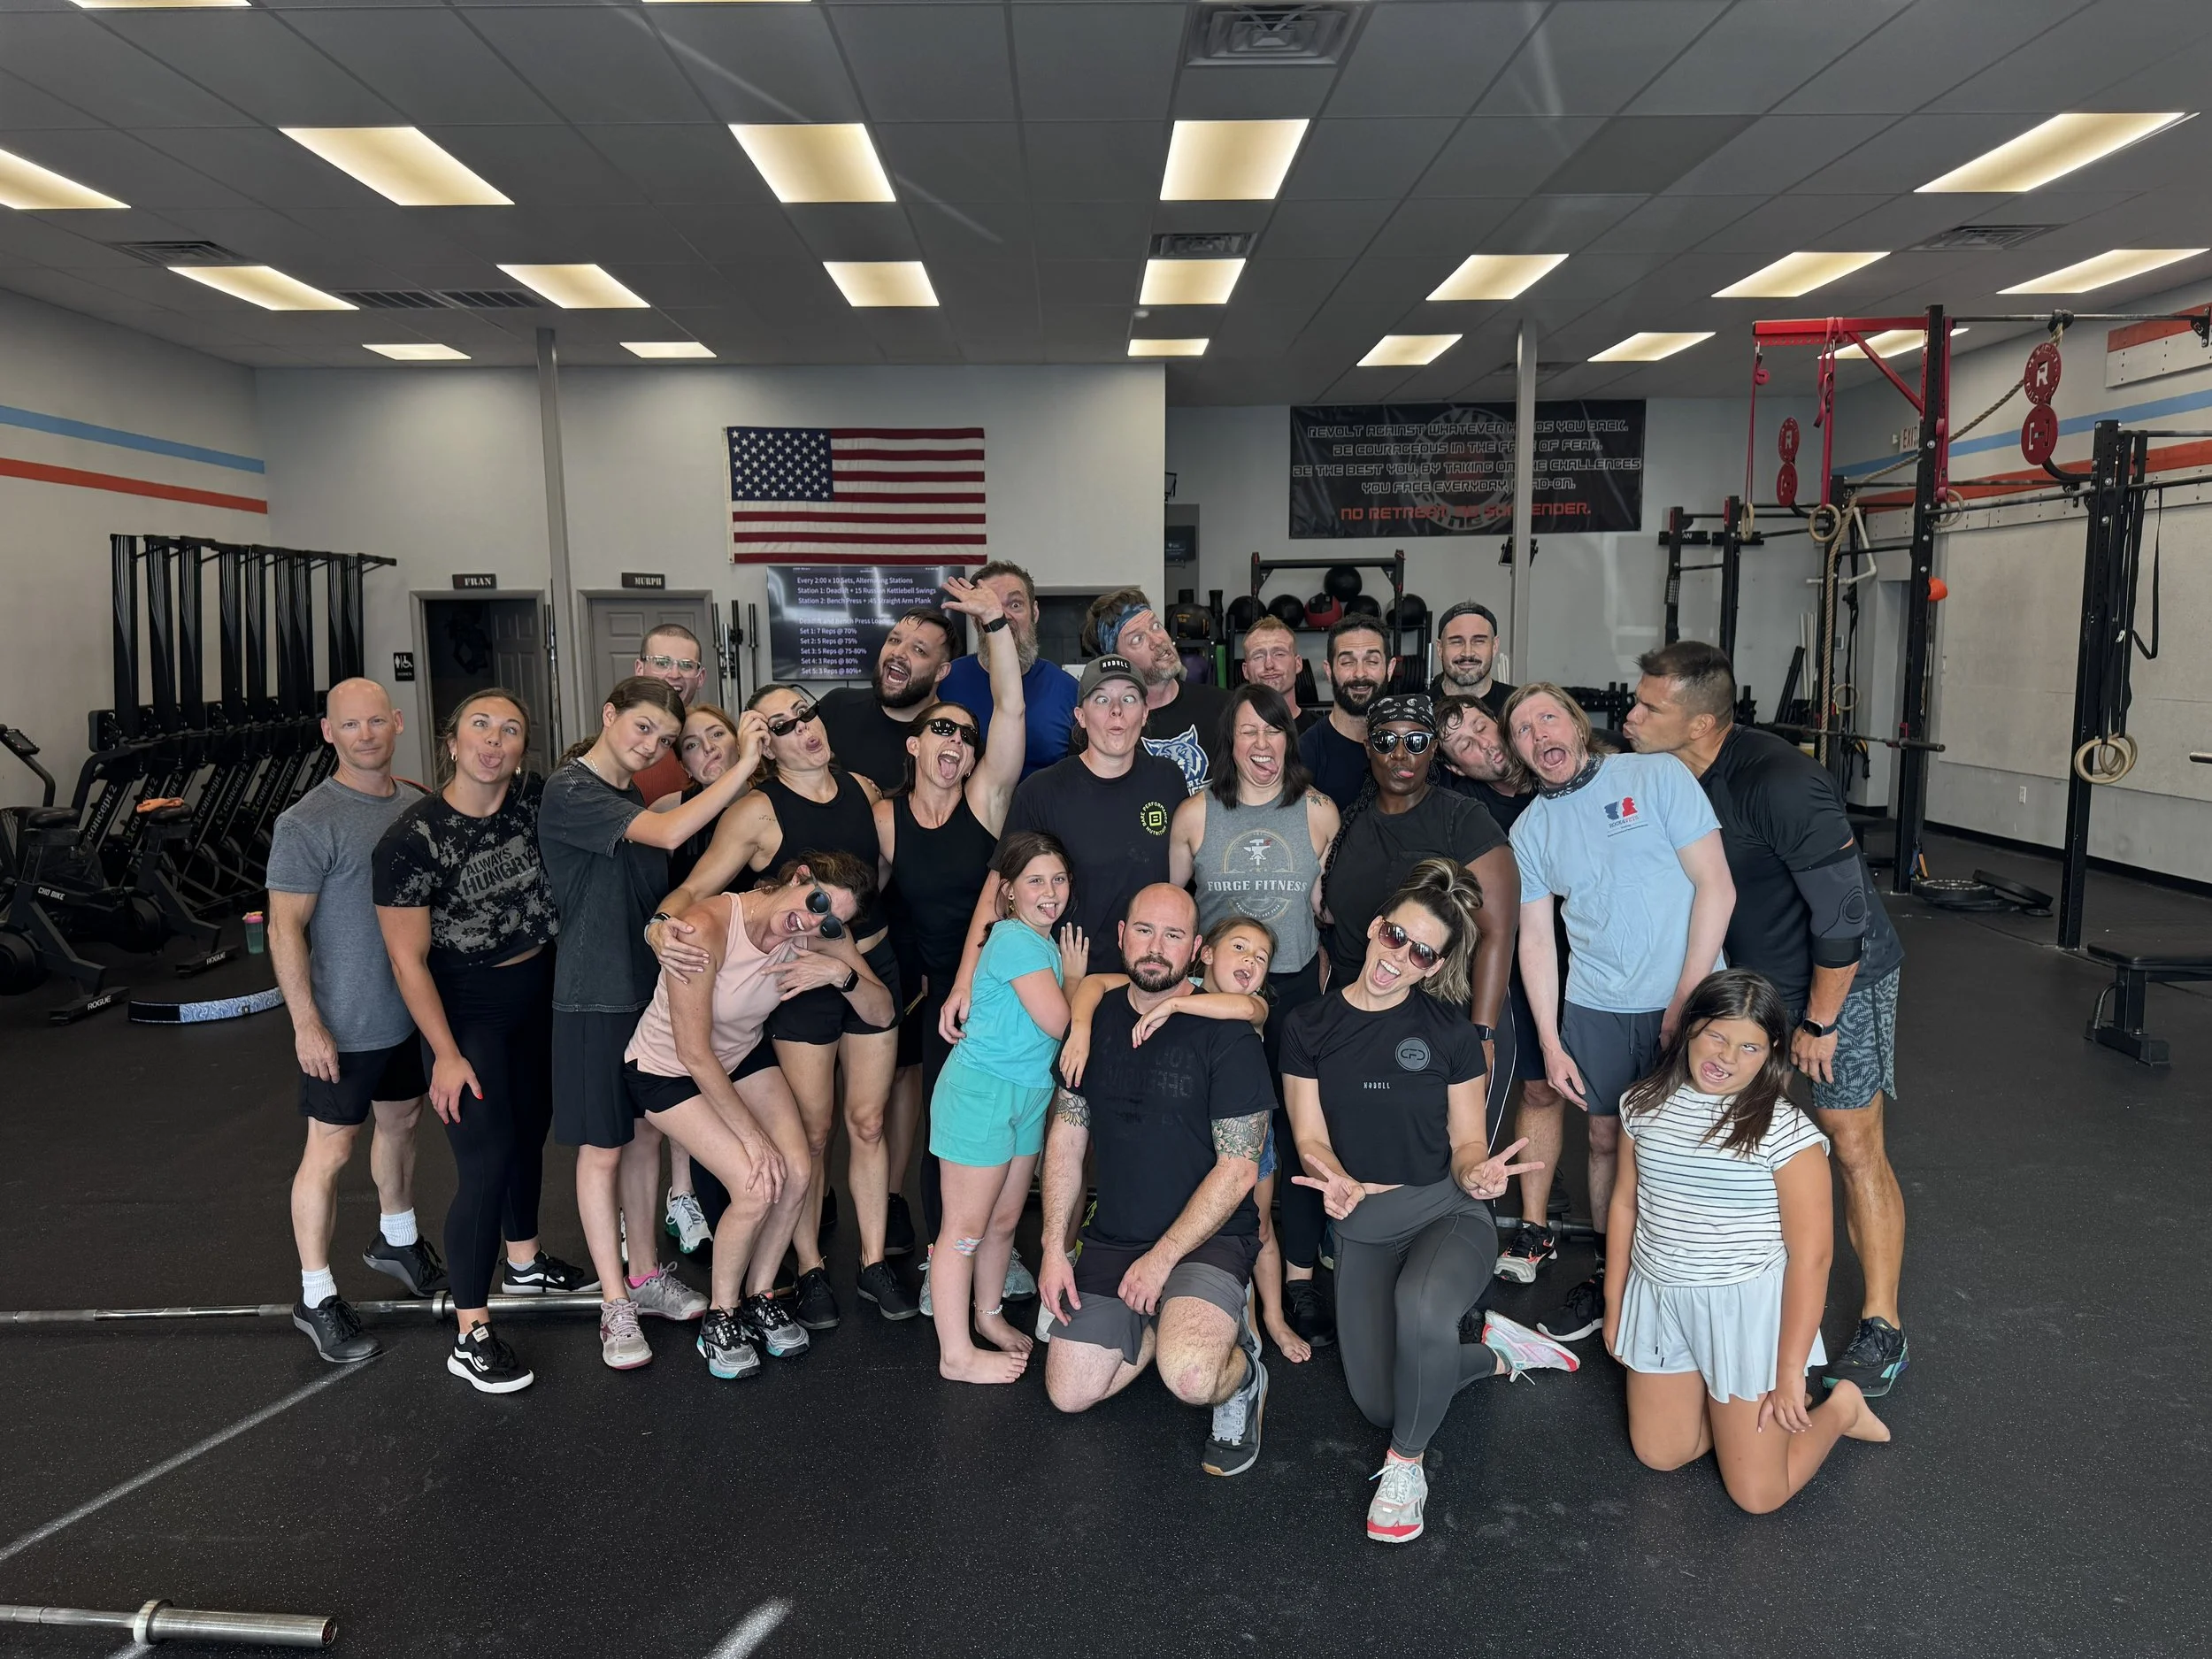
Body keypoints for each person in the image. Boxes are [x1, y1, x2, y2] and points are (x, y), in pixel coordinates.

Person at [1623, 641, 1910, 1399]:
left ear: (1703, 721)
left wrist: (1819, 1021)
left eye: (1650, 707)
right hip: (1745, 990)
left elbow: (1843, 915)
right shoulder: (1663, 772)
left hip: (1835, 984)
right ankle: (1762, 1286)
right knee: (1743, 1143)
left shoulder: (1779, 780)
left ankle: (1883, 1323)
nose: (1630, 716)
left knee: (1851, 1141)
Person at [1283, 860, 1577, 1543]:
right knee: (1382, 1400)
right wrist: (1331, 1175)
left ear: (1434, 964)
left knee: (1422, 1306)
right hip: (1361, 1222)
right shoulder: (1309, 1024)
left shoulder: (1451, 1033)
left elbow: (1469, 1144)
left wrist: (1478, 1175)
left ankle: (1405, 1469)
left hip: (1445, 1211)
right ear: (1376, 927)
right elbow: (1308, 1134)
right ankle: (1493, 1349)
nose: (1398, 958)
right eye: (1395, 936)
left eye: (1421, 951)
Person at [649, 683, 909, 1328]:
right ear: (764, 743)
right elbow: (695, 887)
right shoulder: (757, 811)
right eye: (784, 724)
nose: (804, 728)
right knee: (814, 1132)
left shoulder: (865, 791)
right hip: (796, 980)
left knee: (869, 1121)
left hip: (866, 963)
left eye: (807, 713)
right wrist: (660, 924)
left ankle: (875, 1261)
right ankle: (811, 1264)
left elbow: (893, 878)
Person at [540, 677, 770, 1370]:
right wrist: (743, 768)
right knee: (603, 1148)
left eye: (664, 740)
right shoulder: (571, 788)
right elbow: (673, 829)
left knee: (643, 1136)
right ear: (608, 715)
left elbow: (671, 814)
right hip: (592, 998)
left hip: (646, 990)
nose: (653, 746)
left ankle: (644, 1277)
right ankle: (614, 1304)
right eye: (643, 729)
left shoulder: (627, 794)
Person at [1604, 969, 1889, 1512]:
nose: (1727, 1057)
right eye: (1716, 1035)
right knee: (1661, 1454)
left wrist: (1787, 1374)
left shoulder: (1787, 1134)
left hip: (1741, 1310)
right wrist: (1616, 1305)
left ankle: (1842, 1408)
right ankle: (1728, 1416)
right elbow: (1624, 1203)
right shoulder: (1641, 1105)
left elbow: (1812, 1258)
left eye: (1749, 1045)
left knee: (1758, 1495)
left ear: (1771, 1053)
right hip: (1660, 1295)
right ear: (1690, 1029)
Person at [1504, 682, 1735, 1348]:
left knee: (1698, 1141)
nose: (1539, 732)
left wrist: (1688, 993)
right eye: (1523, 728)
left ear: (1576, 726)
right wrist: (1550, 1039)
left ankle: (1702, 1280)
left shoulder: (1656, 774)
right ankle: (1616, 1274)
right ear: (1518, 752)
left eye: (1548, 716)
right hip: (1598, 1006)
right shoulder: (1530, 830)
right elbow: (1538, 939)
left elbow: (1716, 884)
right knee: (1606, 1141)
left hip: (1690, 996)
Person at [373, 689, 588, 1394]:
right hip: (470, 1010)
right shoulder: (411, 839)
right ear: (451, 741)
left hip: (542, 995)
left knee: (530, 1136)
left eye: (511, 730)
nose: (494, 741)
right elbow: (407, 959)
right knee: (487, 1159)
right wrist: (446, 1052)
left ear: (523, 748)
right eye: (480, 727)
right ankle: (471, 1330)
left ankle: (523, 1260)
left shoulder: (533, 800)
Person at [1036, 885, 1275, 1479]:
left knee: (1191, 1378)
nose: (1155, 947)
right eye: (1144, 930)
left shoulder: (1228, 1033)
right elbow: (1066, 1140)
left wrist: (1165, 1257)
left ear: (1195, 949)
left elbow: (1240, 1167)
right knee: (1068, 1392)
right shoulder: (1091, 1024)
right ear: (1121, 936)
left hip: (1205, 1239)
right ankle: (1165, 1318)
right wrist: (1052, 1249)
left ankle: (1242, 1372)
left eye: (1173, 935)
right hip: (1116, 1235)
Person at [624, 857, 887, 1377]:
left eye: (831, 923)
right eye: (816, 904)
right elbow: (693, 1052)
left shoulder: (818, 934)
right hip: (667, 1069)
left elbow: (880, 1011)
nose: (814, 923)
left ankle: (760, 1294)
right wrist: (753, 1138)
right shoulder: (707, 928)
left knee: (799, 1172)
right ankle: (720, 1319)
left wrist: (840, 972)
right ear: (799, 876)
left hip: (740, 1056)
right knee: (753, 1182)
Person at [269, 678, 442, 1363]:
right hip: (343, 1022)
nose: (366, 733)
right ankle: (314, 1295)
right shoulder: (308, 820)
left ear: (397, 722)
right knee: (331, 1150)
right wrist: (306, 1024)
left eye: (377, 720)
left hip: (405, 1015)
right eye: (351, 724)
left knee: (402, 1121)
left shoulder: (416, 802)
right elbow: (285, 928)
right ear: (328, 731)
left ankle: (395, 1237)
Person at [1168, 682, 1340, 1351]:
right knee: (1213, 1137)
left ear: (1288, 740)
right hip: (1213, 1001)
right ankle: (1204, 1264)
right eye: (1248, 733)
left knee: (1293, 1138)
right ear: (1229, 743)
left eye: (1273, 732)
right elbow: (1176, 912)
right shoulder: (1195, 815)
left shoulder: (1318, 813)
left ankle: (1295, 1278)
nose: (1262, 745)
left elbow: (1328, 910)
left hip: (1293, 995)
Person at [875, 578, 1028, 1302]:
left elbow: (1012, 705)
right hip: (941, 998)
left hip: (1008, 994)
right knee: (949, 1134)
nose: (957, 741)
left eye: (966, 738)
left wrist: (994, 622)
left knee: (1012, 1127)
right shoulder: (884, 818)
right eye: (943, 728)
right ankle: (946, 1257)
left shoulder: (986, 802)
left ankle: (1000, 1249)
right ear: (915, 742)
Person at [1061, 917, 1282, 1350]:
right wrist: (1082, 1027)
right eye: (1239, 948)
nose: (1250, 962)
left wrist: (1176, 1006)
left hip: (1251, 1136)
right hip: (1196, 1132)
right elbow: (1093, 985)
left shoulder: (1252, 1003)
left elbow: (1241, 1010)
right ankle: (1186, 1319)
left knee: (1258, 1231)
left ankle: (1262, 1322)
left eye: (1261, 958)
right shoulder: (1183, 981)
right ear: (1205, 953)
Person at [1317, 693, 1521, 1144]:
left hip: (1447, 1020)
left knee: (1451, 1156)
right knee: (1367, 1152)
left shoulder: (1462, 819)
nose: (1400, 755)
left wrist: (1482, 1033)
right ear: (1367, 747)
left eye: (1416, 741)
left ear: (1434, 750)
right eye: (1386, 740)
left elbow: (1498, 931)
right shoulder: (1350, 824)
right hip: (1363, 1023)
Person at [926, 833, 1088, 1383]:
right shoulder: (1016, 940)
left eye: (1059, 879)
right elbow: (1061, 1022)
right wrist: (1078, 982)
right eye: (1035, 881)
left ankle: (988, 1316)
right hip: (982, 1094)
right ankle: (956, 1354)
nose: (1050, 891)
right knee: (964, 1231)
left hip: (1026, 1095)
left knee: (1002, 1222)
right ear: (1010, 892)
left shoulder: (1040, 941)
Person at [1435, 695, 1570, 1283]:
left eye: (1482, 725)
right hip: (1507, 966)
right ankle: (1471, 1226)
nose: (1481, 740)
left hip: (1581, 958)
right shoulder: (1466, 809)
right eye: (1462, 742)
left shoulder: (1555, 780)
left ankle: (1535, 1226)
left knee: (1564, 1096)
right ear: (1457, 767)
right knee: (1504, 1090)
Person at [949, 654, 1184, 987]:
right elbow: (999, 885)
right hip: (1067, 983)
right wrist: (965, 982)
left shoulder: (1168, 780)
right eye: (1101, 700)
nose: (1116, 710)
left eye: (1128, 699)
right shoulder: (1041, 791)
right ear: (1081, 717)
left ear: (1145, 714)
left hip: (1150, 979)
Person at [654, 699, 751, 1256]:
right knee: (689, 1070)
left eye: (717, 734)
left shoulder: (767, 802)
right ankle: (686, 1194)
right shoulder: (672, 809)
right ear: (683, 763)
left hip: (753, 967)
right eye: (691, 743)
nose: (707, 747)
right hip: (695, 963)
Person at [939, 559, 1078, 778]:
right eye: (990, 606)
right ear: (975, 619)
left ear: (1035, 612)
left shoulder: (1069, 690)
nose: (1002, 616)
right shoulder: (946, 682)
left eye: (1015, 605)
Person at [1082, 588, 1229, 794]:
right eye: (1137, 639)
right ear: (1118, 660)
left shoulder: (1224, 707)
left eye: (1156, 626)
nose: (1157, 641)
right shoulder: (1106, 731)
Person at [816, 605, 959, 795]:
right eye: (894, 640)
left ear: (940, 672)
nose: (898, 652)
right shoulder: (836, 706)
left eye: (918, 650)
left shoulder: (955, 740)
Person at [1299, 617, 1390, 810]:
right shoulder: (1305, 754)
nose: (1360, 674)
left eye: (1372, 661)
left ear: (1390, 668)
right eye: (1347, 662)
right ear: (1329, 670)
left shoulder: (1408, 749)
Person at [628, 624, 710, 805]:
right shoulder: (618, 739)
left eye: (686, 665)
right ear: (640, 669)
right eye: (661, 662)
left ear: (700, 677)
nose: (674, 674)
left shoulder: (715, 742)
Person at [1431, 602, 1516, 719]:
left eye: (1479, 641)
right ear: (1440, 649)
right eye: (1456, 642)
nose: (1467, 653)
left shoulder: (1517, 706)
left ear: (1494, 646)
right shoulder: (1419, 710)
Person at [1240, 615, 1321, 733]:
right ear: (1245, 671)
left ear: (1298, 664)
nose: (1269, 665)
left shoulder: (1321, 732)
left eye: (1279, 654)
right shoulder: (1232, 732)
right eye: (1258, 656)